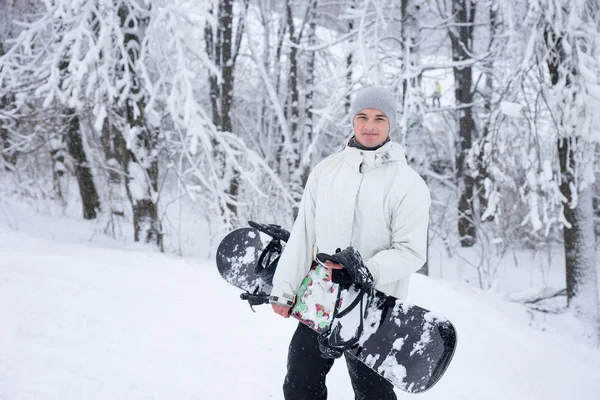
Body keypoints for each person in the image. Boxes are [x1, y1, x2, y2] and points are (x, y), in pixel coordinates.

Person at [269, 86, 431, 400]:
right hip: (321, 299)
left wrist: (363, 271)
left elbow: (411, 252)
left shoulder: (407, 183)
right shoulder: (325, 172)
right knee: (300, 383)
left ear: (390, 124)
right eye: (363, 117)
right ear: (353, 120)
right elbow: (305, 234)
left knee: (373, 394)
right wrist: (284, 288)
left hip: (375, 308)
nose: (370, 125)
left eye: (379, 118)